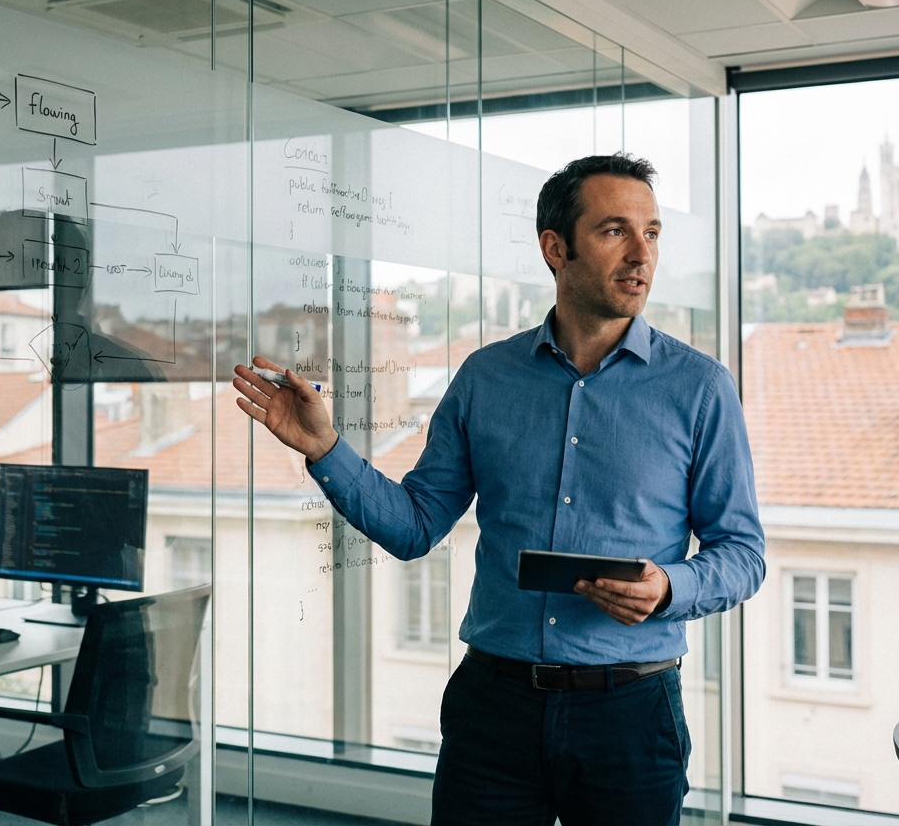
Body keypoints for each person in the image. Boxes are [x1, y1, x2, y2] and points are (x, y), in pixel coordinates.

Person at [233, 153, 765, 826]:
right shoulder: (486, 378)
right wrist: (325, 449)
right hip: (494, 708)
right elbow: (414, 524)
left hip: (629, 717)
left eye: (652, 233)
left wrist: (669, 588)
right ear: (555, 247)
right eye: (614, 231)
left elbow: (743, 554)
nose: (641, 253)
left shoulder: (699, 388)